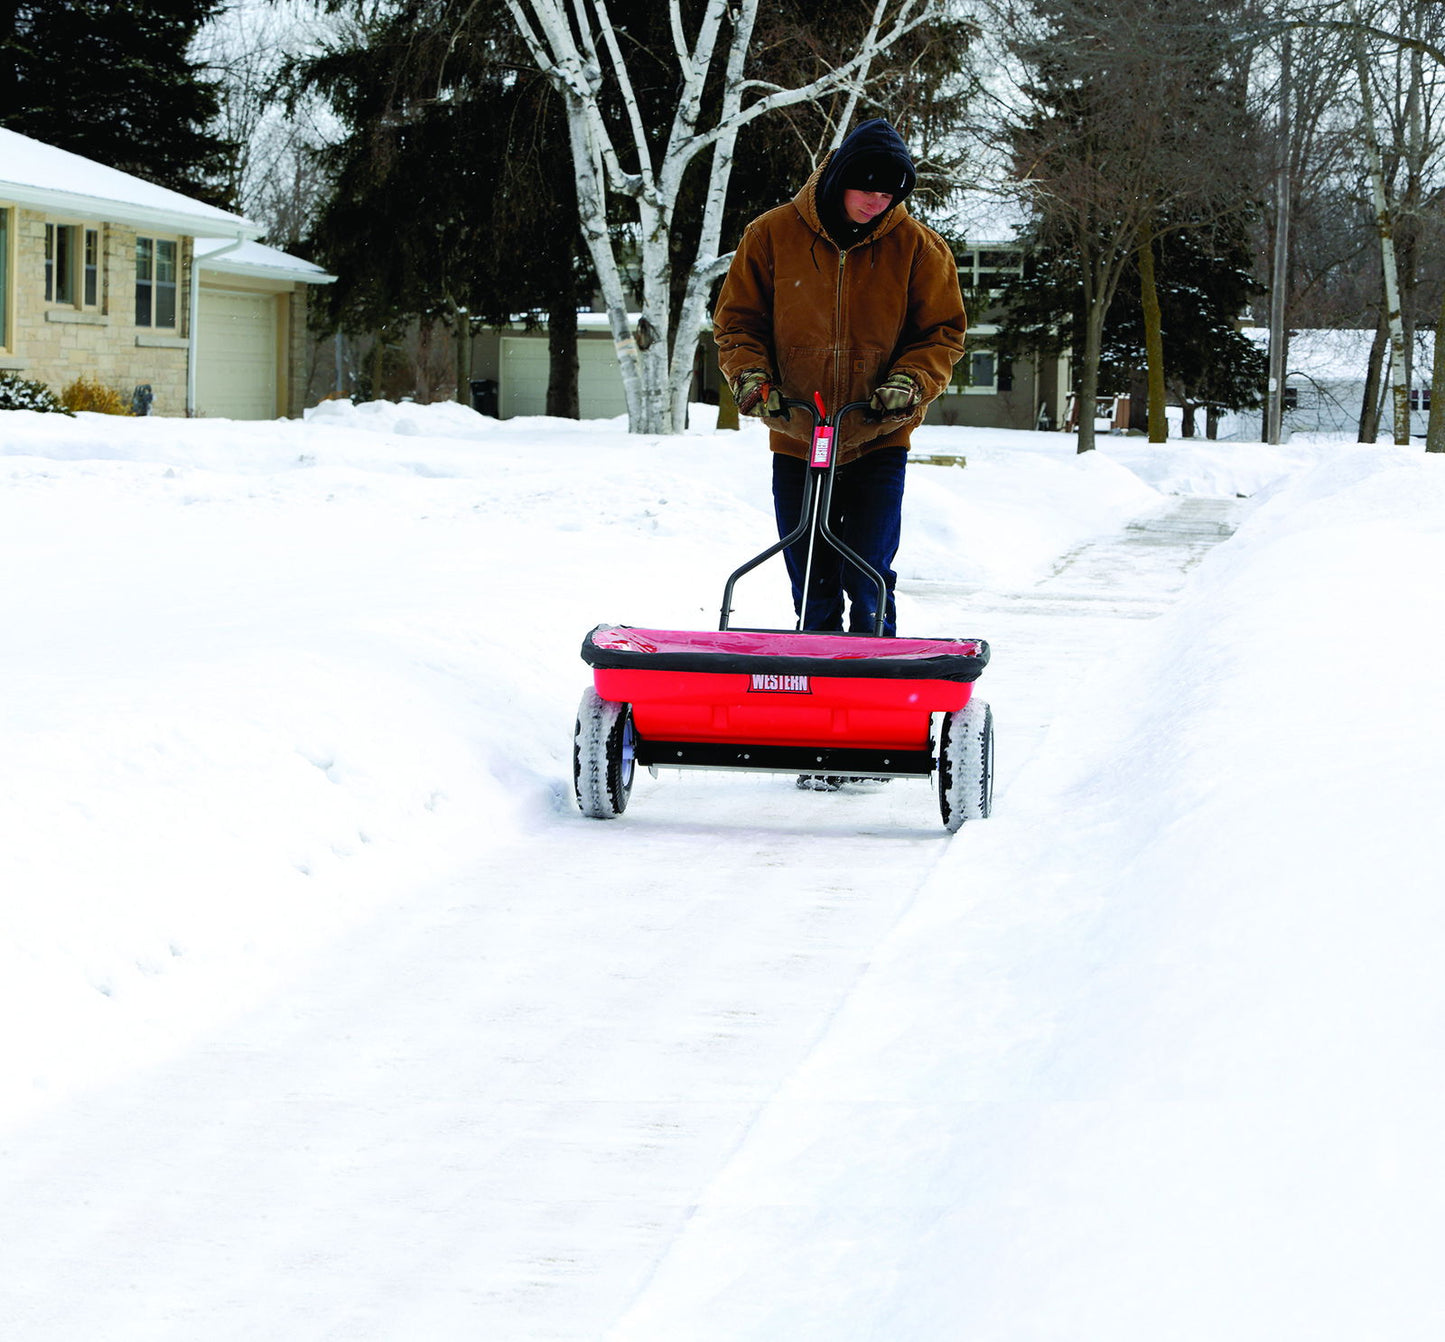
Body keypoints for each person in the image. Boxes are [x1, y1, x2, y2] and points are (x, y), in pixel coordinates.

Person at [714, 118, 967, 637]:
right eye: (868, 188)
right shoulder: (771, 235)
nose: (879, 201)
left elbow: (941, 333)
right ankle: (816, 677)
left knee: (868, 568)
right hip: (797, 429)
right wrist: (753, 379)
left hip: (877, 430)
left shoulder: (919, 247)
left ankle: (876, 671)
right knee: (810, 573)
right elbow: (738, 324)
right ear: (838, 178)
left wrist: (909, 382)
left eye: (891, 193)